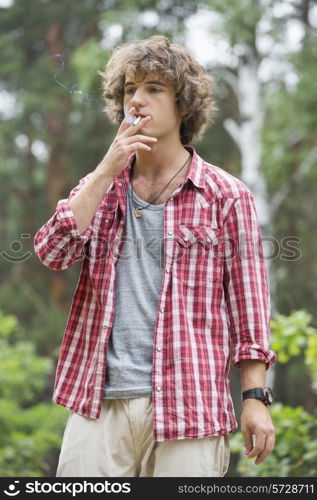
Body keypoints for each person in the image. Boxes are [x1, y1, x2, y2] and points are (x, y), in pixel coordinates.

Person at [34, 35, 276, 477]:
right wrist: (106, 170)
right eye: (129, 89)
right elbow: (51, 252)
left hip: (191, 405)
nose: (137, 101)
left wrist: (255, 399)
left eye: (153, 89)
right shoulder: (101, 186)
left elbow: (250, 308)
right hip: (98, 402)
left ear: (182, 104)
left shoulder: (226, 195)